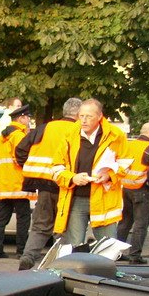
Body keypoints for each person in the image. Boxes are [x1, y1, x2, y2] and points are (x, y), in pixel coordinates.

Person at [14, 97, 82, 270]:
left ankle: (28, 257)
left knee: (40, 226)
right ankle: (60, 264)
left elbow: (21, 149)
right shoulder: (78, 130)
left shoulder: (46, 127)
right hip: (67, 186)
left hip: (44, 185)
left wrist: (30, 167)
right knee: (63, 228)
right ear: (78, 114)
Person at [51, 98, 127, 246]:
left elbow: (126, 164)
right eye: (81, 116)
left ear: (99, 117)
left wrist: (109, 175)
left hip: (104, 199)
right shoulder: (69, 135)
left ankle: (101, 269)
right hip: (76, 199)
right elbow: (56, 167)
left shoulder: (115, 136)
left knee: (106, 247)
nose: (84, 120)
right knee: (74, 247)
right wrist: (73, 178)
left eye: (89, 116)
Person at [117, 122, 149, 265]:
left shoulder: (130, 145)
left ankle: (116, 253)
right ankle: (135, 256)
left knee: (124, 222)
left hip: (125, 187)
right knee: (141, 223)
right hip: (141, 190)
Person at [0, 105, 34, 259]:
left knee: (2, 218)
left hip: (3, 185)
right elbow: (22, 158)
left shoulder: (1, 138)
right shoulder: (18, 136)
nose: (29, 120)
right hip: (18, 184)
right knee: (23, 219)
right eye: (28, 117)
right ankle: (21, 251)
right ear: (21, 118)